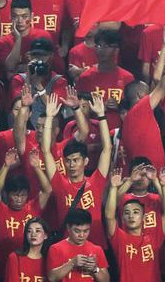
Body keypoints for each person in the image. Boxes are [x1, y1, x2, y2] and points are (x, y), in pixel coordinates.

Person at [42, 92, 111, 248]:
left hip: (96, 247)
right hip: (66, 249)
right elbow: (45, 150)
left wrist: (101, 115)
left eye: (76, 160)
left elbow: (107, 148)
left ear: (86, 161)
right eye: (69, 161)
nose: (72, 164)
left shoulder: (96, 181)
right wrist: (49, 118)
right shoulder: (60, 183)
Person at [105, 165, 165, 282]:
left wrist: (164, 186)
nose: (131, 216)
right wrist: (113, 188)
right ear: (122, 218)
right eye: (127, 213)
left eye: (136, 212)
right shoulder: (119, 239)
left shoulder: (154, 238)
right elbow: (109, 216)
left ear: (143, 218)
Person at [0, 147, 52, 263]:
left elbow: (47, 190)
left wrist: (36, 167)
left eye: (23, 196)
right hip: (4, 265)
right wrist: (6, 166)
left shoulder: (33, 207)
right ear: (7, 195)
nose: (19, 199)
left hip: (30, 266)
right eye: (15, 195)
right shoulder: (0, 210)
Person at [76, 29, 134, 130]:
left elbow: (133, 109)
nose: (101, 50)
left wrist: (119, 107)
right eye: (98, 46)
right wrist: (99, 108)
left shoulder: (127, 77)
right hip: (92, 132)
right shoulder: (85, 78)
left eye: (106, 46)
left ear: (116, 50)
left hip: (119, 133)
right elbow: (79, 109)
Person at [46, 209, 110, 282]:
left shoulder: (97, 249)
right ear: (68, 228)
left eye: (86, 231)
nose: (81, 235)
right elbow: (52, 278)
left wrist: (95, 269)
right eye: (77, 231)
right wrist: (72, 263)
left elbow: (106, 280)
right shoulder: (56, 249)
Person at [5, 218, 50, 282]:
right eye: (29, 231)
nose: (33, 234)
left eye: (37, 231)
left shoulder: (49, 259)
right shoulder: (15, 257)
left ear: (46, 235)